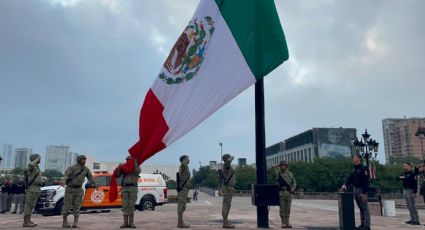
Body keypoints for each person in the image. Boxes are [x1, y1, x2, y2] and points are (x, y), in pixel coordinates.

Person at [61, 155, 96, 228]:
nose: (84, 161)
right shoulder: (72, 168)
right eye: (83, 159)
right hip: (70, 189)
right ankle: (65, 222)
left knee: (77, 207)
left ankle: (75, 222)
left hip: (79, 190)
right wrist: (63, 182)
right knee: (67, 206)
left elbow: (90, 178)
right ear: (79, 160)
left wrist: (94, 184)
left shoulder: (86, 169)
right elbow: (66, 175)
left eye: (85, 159)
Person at [340, 153, 370, 230]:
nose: (353, 159)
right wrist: (345, 185)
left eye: (355, 157)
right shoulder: (354, 169)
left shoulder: (364, 168)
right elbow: (349, 178)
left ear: (359, 158)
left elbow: (366, 181)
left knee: (364, 207)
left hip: (361, 190)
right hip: (355, 189)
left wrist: (364, 193)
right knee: (360, 207)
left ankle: (367, 226)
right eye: (353, 158)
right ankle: (362, 224)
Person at [114, 156, 140, 228]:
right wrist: (119, 168)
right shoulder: (124, 168)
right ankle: (125, 222)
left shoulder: (136, 167)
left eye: (129, 160)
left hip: (133, 188)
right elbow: (117, 175)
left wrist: (135, 163)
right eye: (127, 160)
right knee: (125, 205)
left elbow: (138, 171)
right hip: (124, 188)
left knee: (131, 206)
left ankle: (131, 223)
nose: (127, 161)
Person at [23, 154, 42, 227]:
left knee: (32, 205)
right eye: (38, 158)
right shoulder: (31, 165)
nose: (40, 159)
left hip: (36, 188)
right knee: (28, 205)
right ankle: (25, 222)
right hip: (32, 188)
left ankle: (28, 220)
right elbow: (31, 163)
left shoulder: (36, 167)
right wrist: (36, 159)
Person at [276, 160, 296, 229]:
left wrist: (293, 187)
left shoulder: (290, 174)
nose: (282, 166)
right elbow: (272, 173)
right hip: (281, 193)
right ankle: (283, 222)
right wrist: (273, 168)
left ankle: (288, 222)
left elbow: (294, 182)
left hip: (288, 193)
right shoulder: (278, 174)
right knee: (282, 209)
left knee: (288, 209)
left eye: (283, 165)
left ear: (286, 166)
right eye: (281, 165)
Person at [221, 154, 236, 229]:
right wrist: (230, 158)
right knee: (226, 204)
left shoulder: (227, 166)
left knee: (227, 204)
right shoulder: (226, 166)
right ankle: (225, 222)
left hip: (229, 188)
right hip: (227, 188)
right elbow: (227, 162)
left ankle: (225, 221)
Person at [177, 155, 190, 228]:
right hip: (182, 188)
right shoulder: (183, 166)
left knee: (183, 205)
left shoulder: (185, 167)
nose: (189, 160)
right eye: (187, 158)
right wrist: (184, 160)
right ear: (184, 160)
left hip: (185, 188)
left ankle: (181, 221)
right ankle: (180, 222)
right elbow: (183, 163)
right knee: (181, 206)